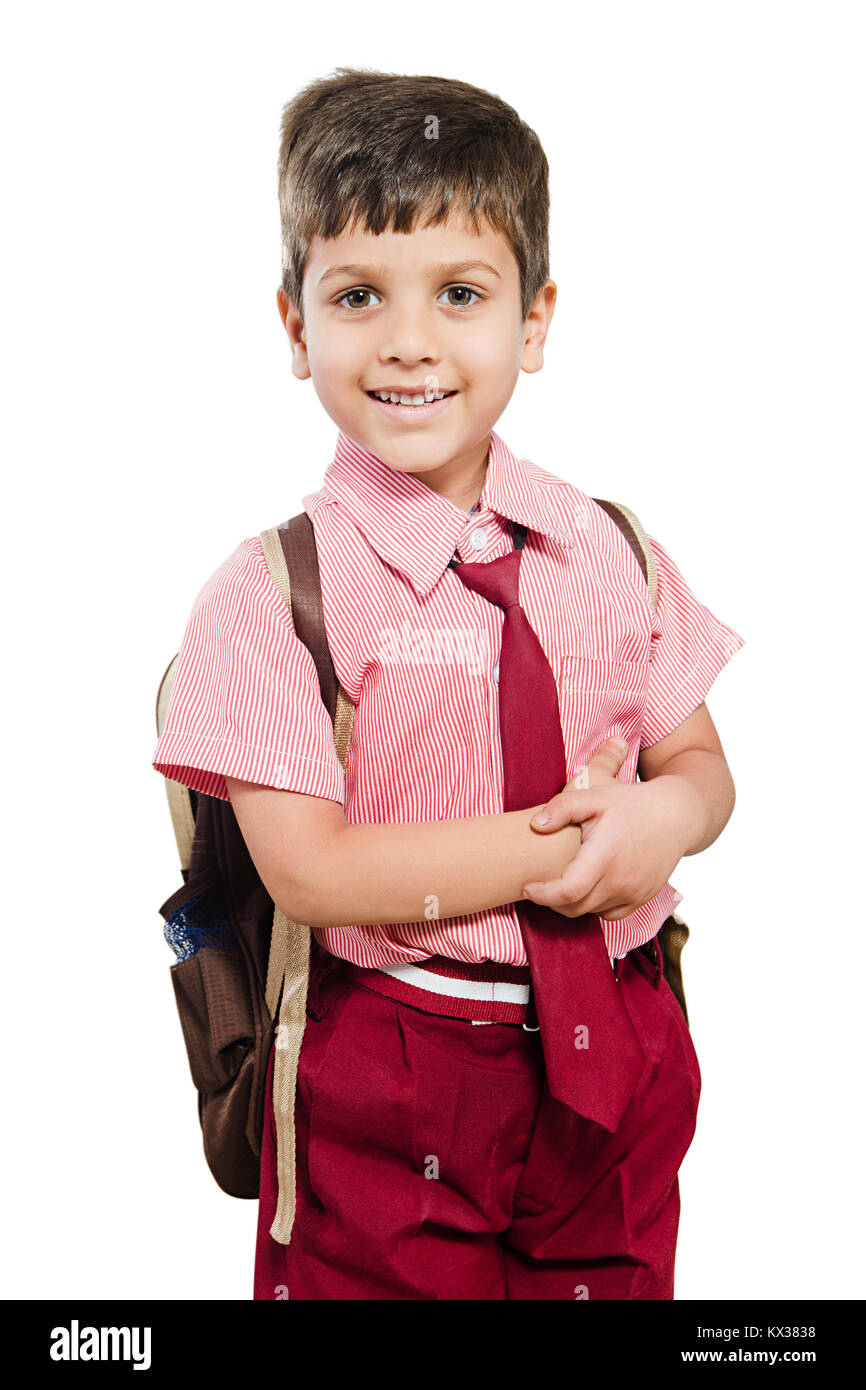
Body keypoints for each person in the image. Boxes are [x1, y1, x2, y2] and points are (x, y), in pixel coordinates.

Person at [153, 67, 745, 1301]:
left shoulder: (609, 548)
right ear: (294, 324)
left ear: (532, 321)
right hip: (398, 1055)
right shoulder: (272, 595)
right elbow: (310, 869)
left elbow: (698, 763)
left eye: (460, 294)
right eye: (359, 294)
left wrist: (658, 823)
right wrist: (556, 845)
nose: (409, 341)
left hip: (618, 1039)